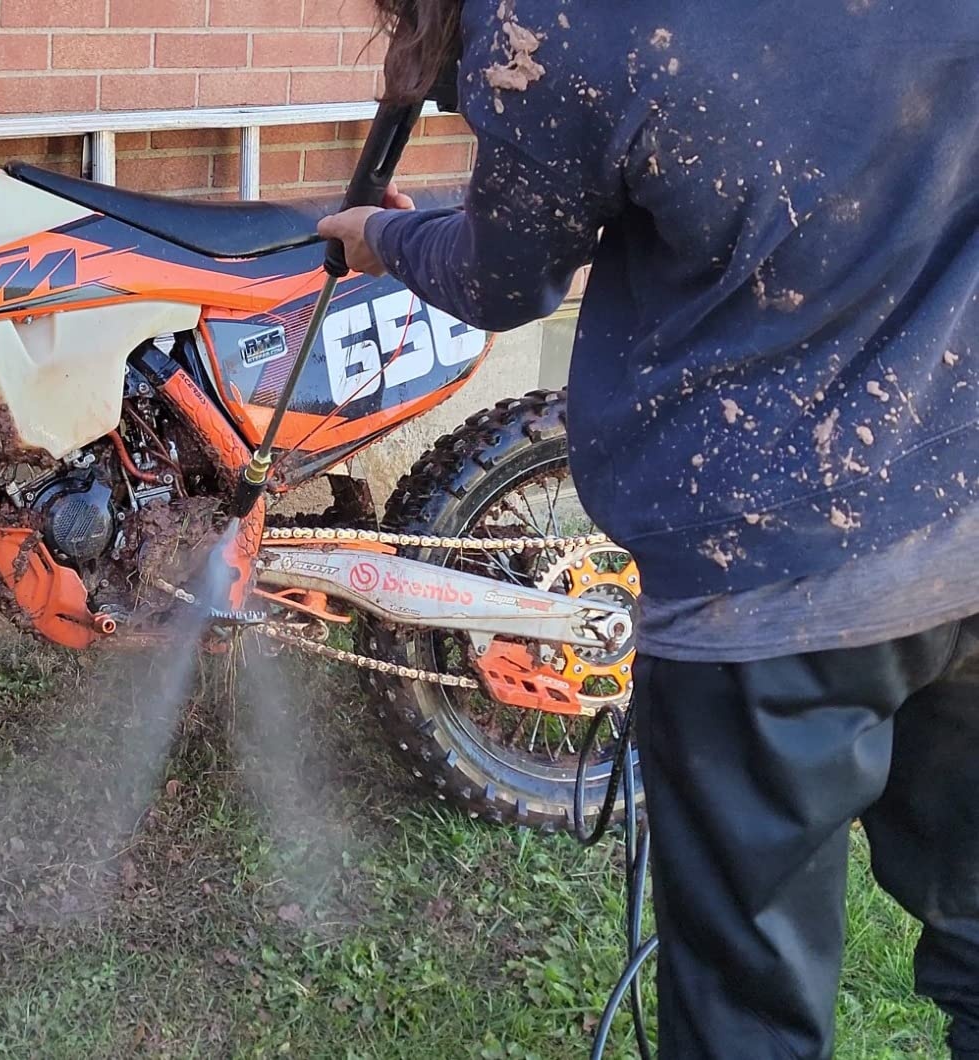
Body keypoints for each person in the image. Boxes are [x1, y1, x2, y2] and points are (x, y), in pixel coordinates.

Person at [317, 1, 979, 1056]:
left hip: (762, 581)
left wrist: (382, 236)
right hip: (960, 507)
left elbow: (499, 277)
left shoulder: (566, 19)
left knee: (746, 1009)